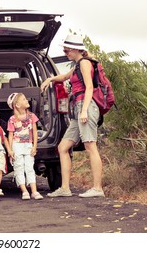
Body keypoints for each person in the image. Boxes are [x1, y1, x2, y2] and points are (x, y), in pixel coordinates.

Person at [40, 34, 105, 198]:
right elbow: (64, 77)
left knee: (91, 146)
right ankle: (65, 188)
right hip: (78, 110)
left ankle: (97, 188)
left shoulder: (84, 63)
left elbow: (89, 87)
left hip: (86, 107)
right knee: (62, 148)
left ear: (76, 49)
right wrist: (50, 79)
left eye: (66, 49)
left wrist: (83, 111)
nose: (65, 51)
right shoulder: (77, 65)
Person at [7, 92, 43, 200]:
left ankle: (34, 191)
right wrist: (10, 150)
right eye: (23, 99)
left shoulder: (32, 116)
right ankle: (24, 191)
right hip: (16, 145)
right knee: (19, 167)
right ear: (17, 105)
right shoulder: (12, 119)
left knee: (29, 167)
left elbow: (35, 132)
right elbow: (10, 135)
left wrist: (34, 146)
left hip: (28, 145)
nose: (26, 100)